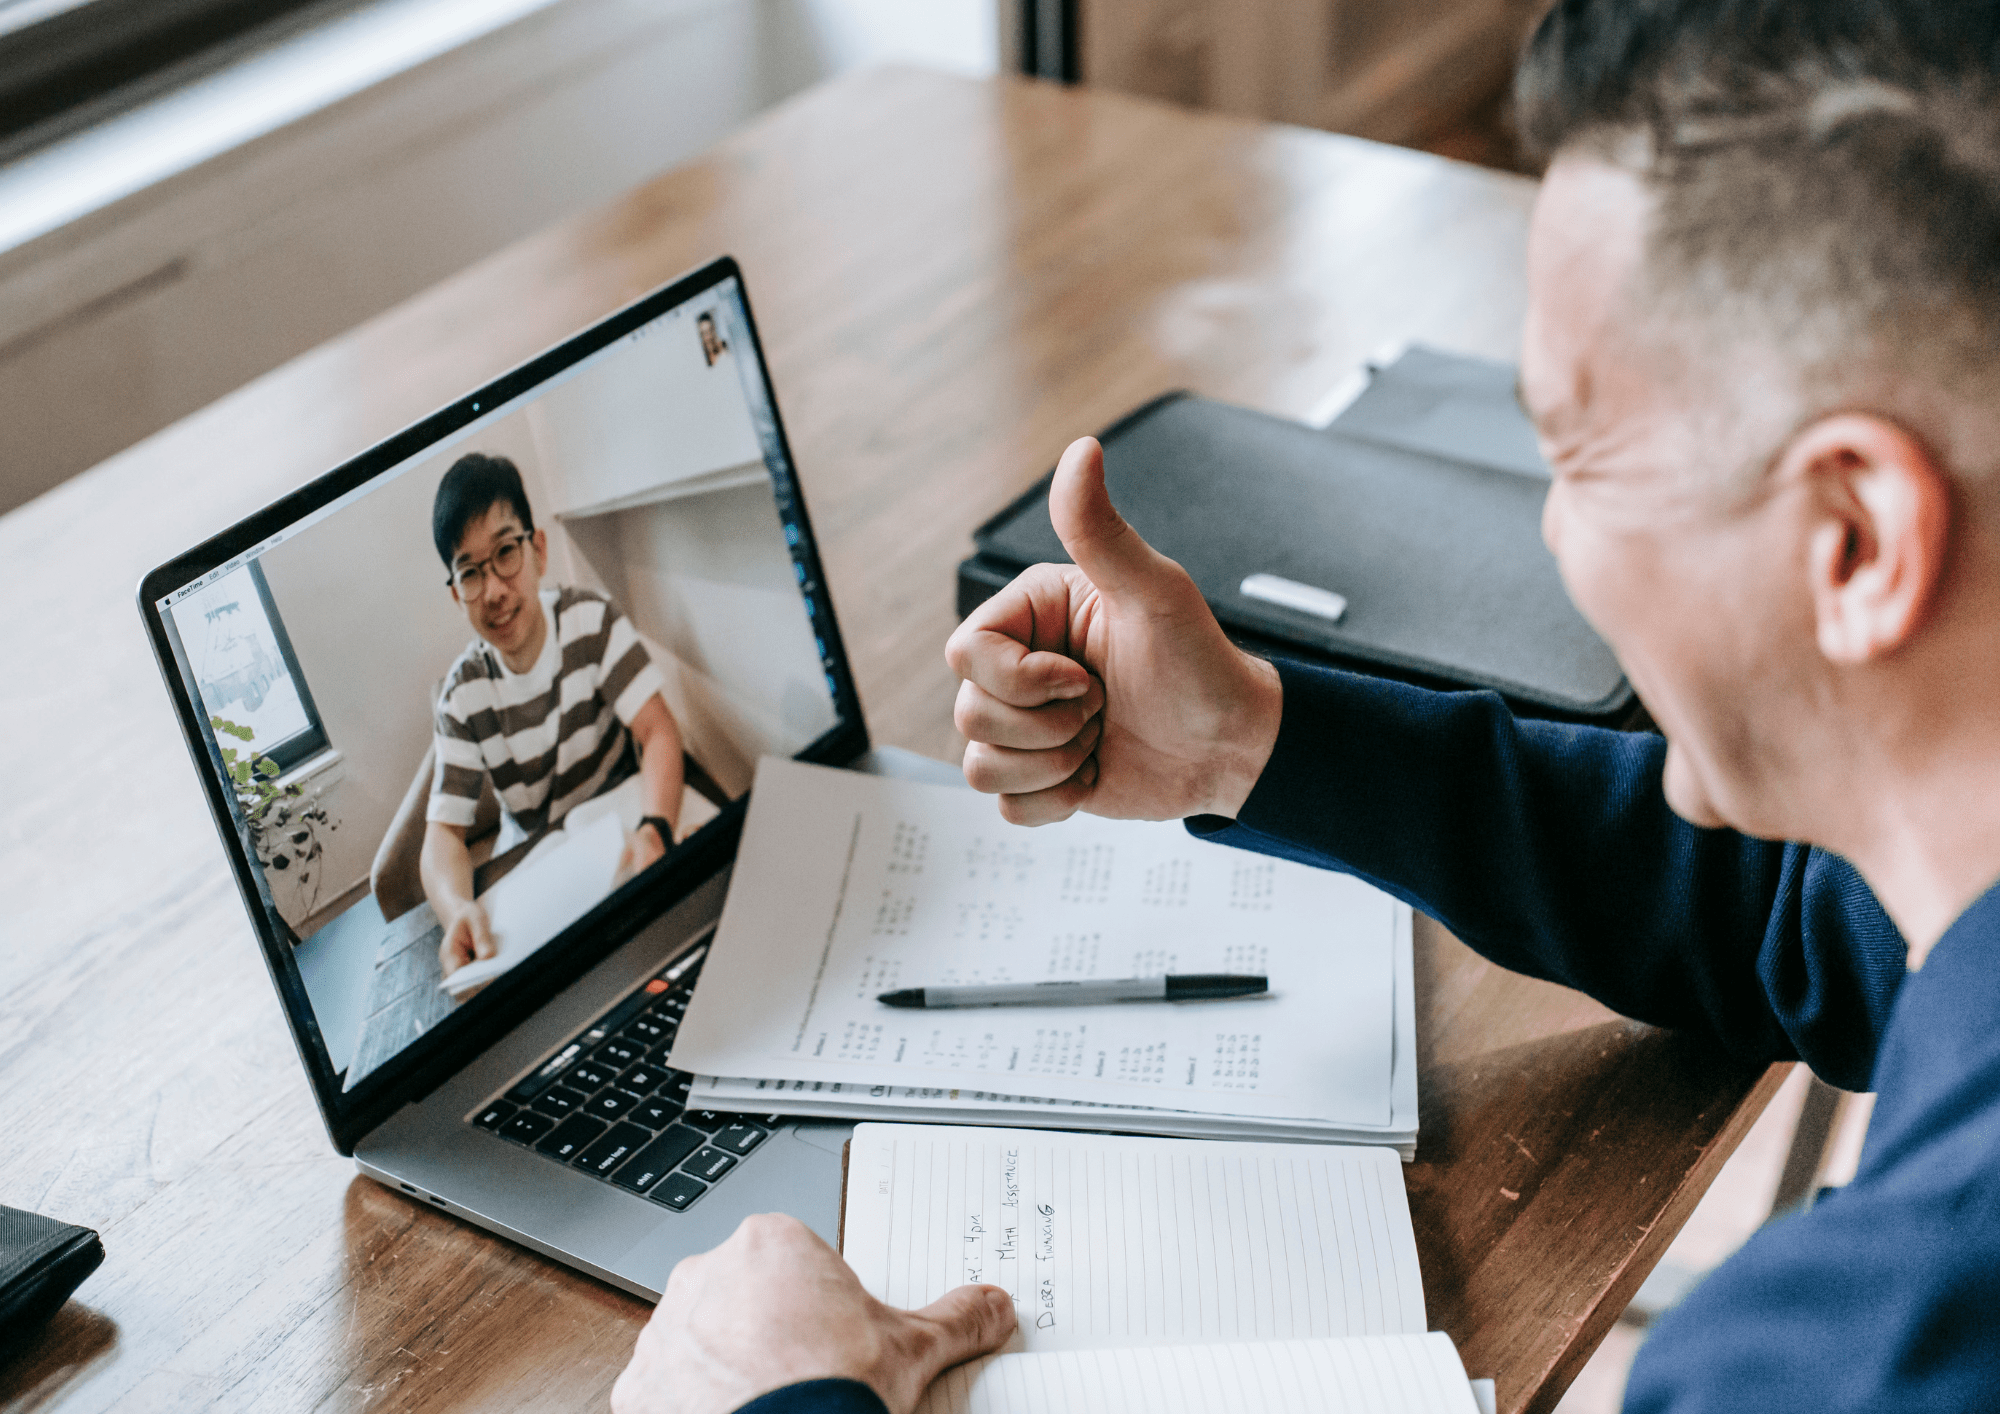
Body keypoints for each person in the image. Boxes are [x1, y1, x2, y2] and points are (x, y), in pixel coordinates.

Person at [611, 1, 2000, 1410]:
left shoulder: (1845, 1364)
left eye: (1577, 458)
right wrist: (1246, 738)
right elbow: (1798, 909)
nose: (1559, 539)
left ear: (1857, 540)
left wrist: (779, 1403)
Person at [423, 452, 687, 979]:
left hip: (620, 830)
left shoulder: (592, 620)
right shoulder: (462, 695)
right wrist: (457, 910)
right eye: (471, 573)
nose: (494, 589)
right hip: (534, 868)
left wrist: (656, 827)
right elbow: (443, 836)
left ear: (537, 549)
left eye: (505, 553)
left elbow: (657, 730)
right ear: (457, 595)